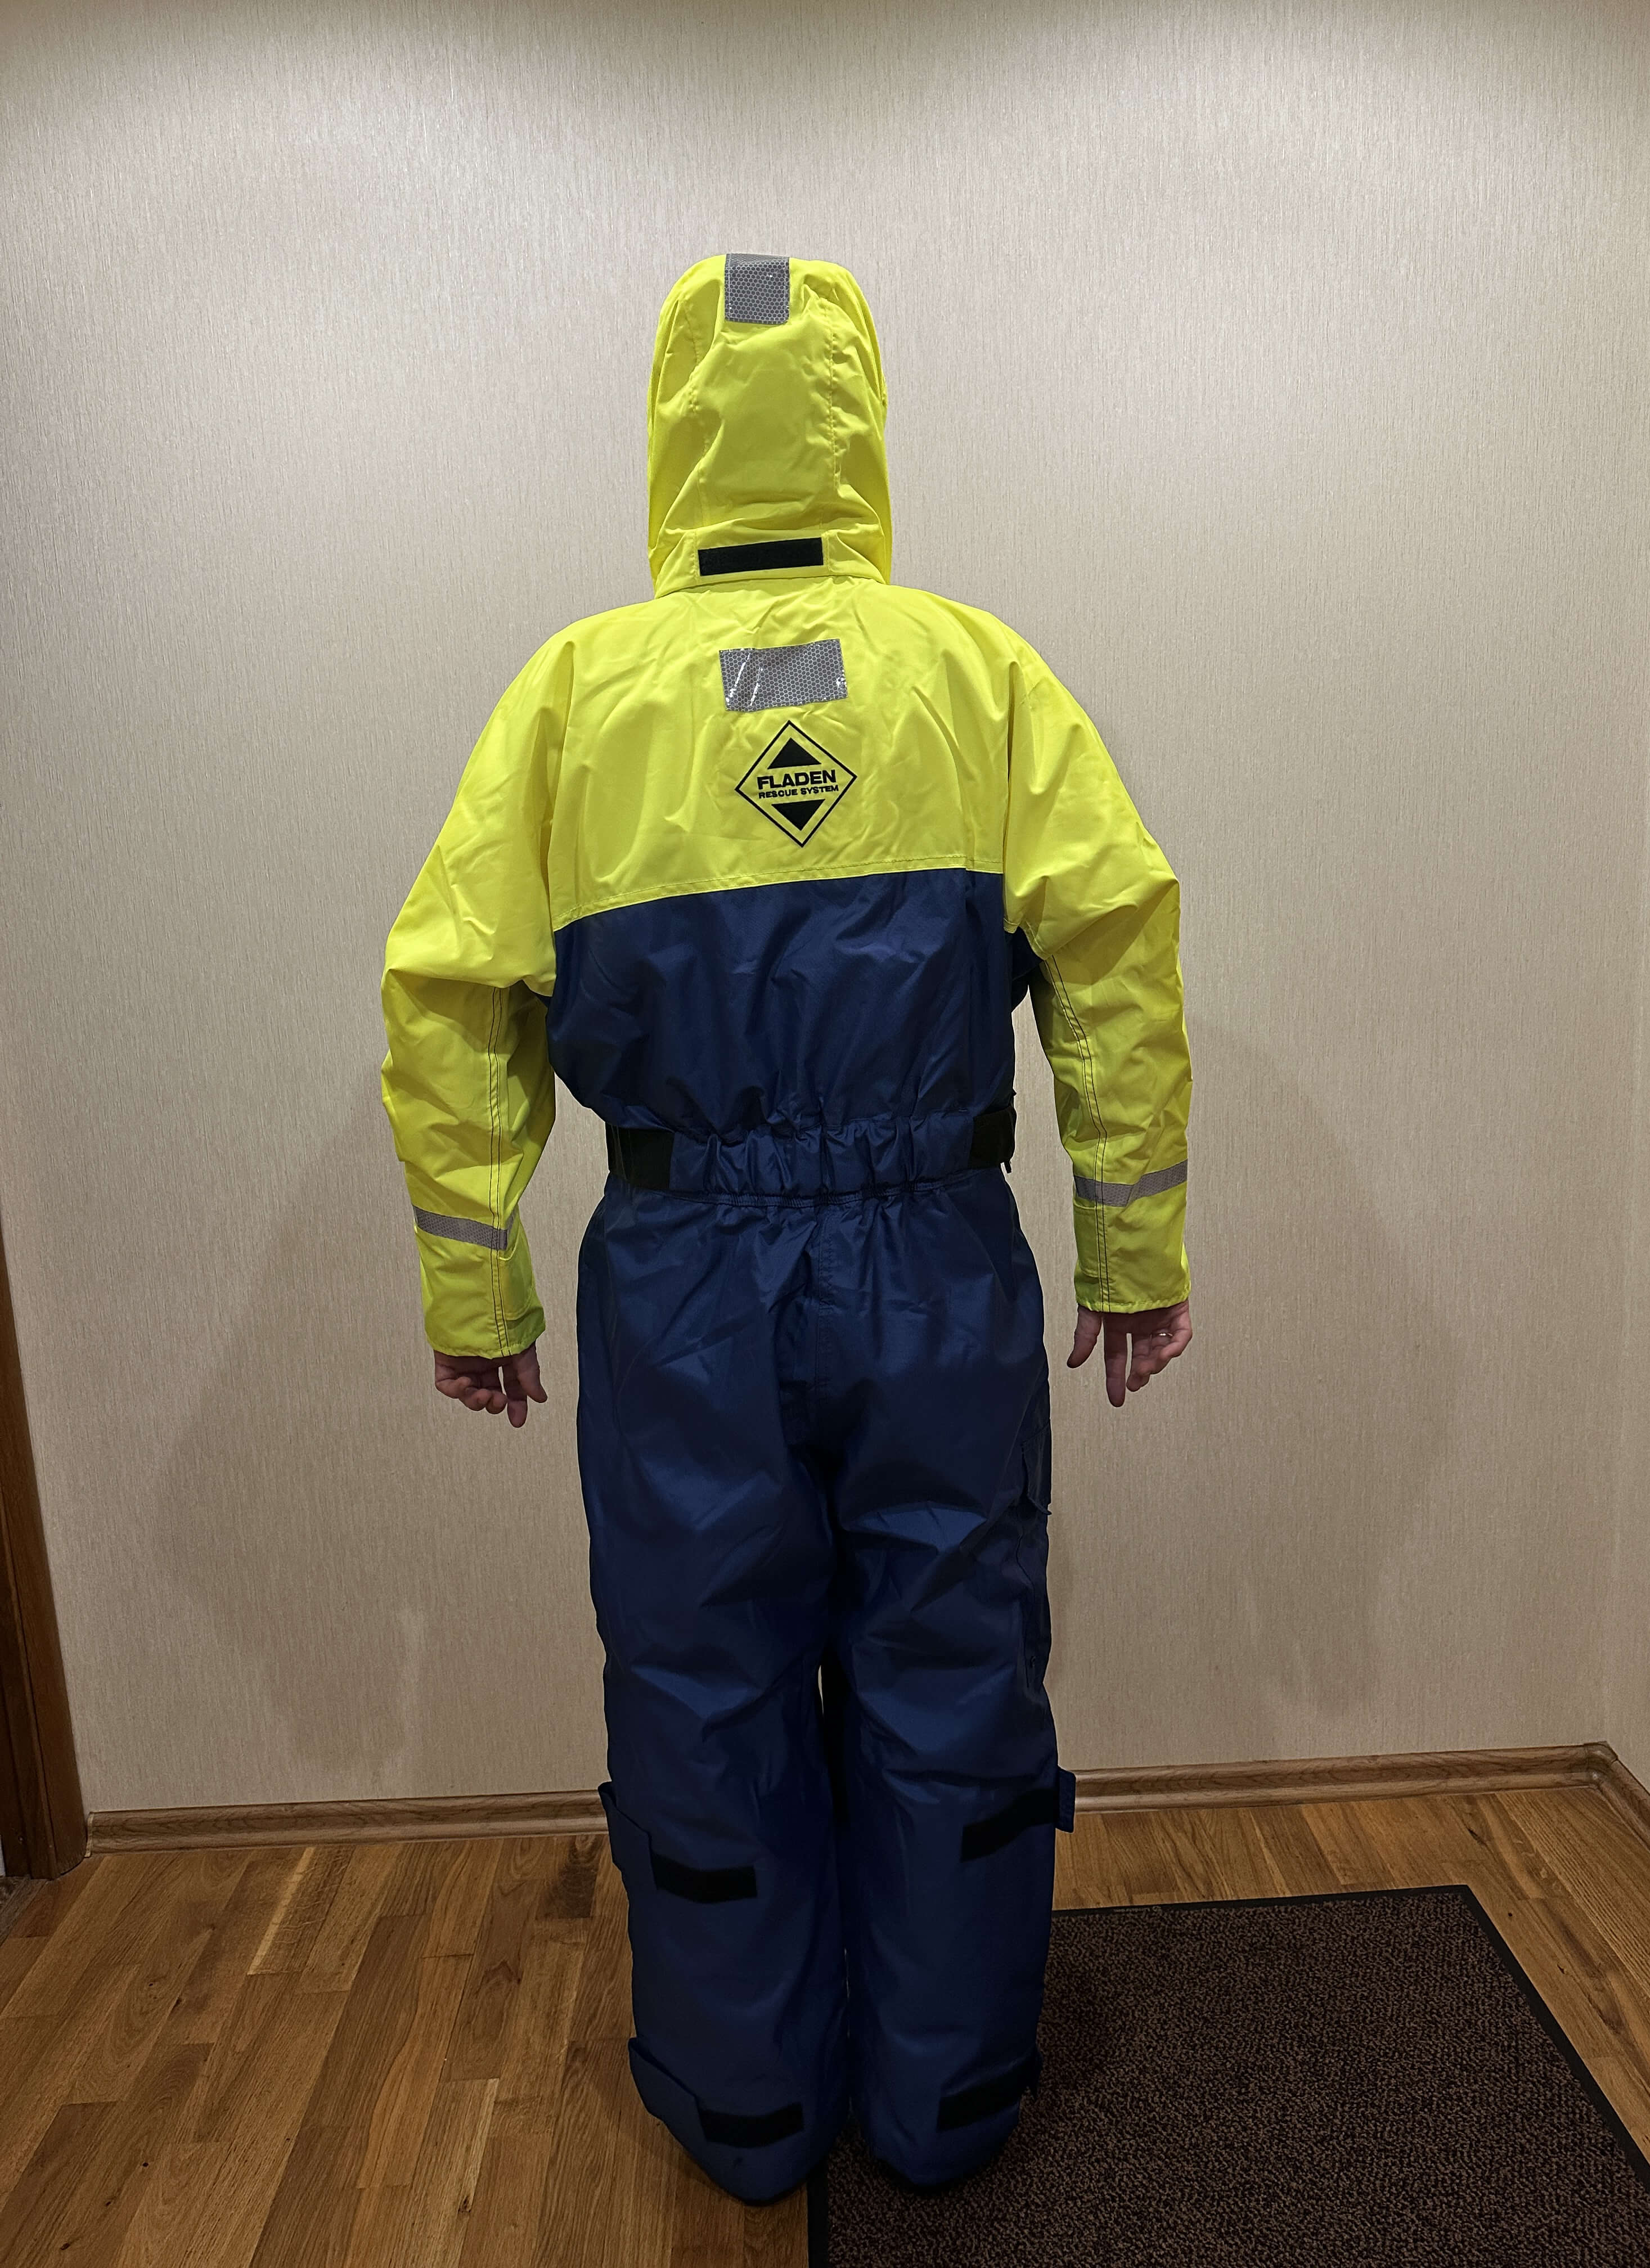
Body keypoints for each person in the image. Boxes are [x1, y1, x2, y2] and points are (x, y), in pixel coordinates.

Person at [380, 254, 1192, 2203]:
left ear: (673, 427)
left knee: (701, 1676)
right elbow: (1116, 946)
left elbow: (450, 992)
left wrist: (477, 1284)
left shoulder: (576, 696)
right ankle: (945, 2106)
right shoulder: (979, 675)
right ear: (856, 417)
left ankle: (746, 2116)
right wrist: (1134, 1249)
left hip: (684, 1275)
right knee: (951, 1663)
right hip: (934, 1261)